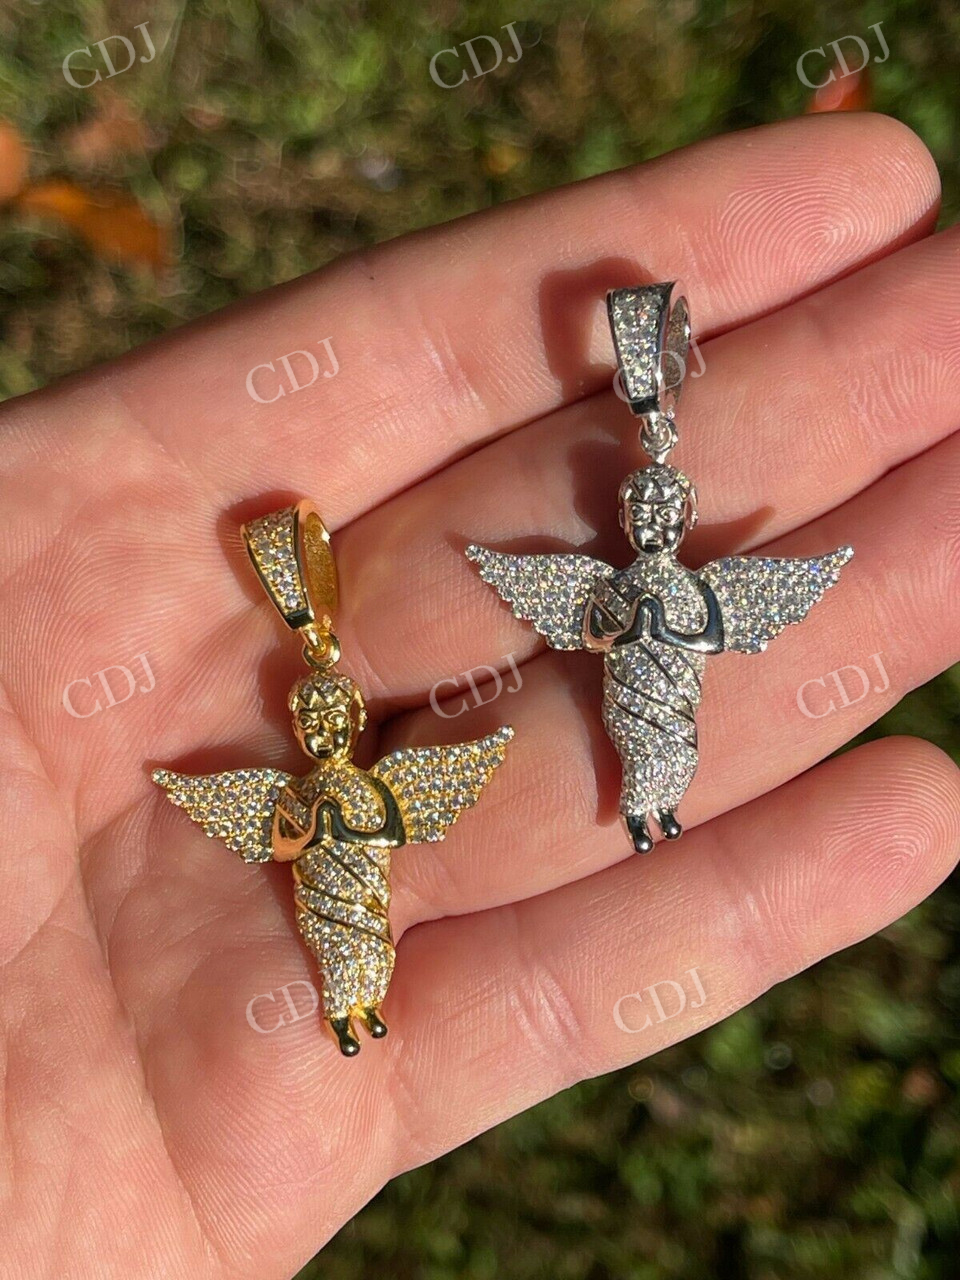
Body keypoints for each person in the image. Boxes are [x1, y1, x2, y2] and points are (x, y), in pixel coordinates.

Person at [1, 113, 958, 1278]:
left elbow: (724, 606)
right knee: (366, 916)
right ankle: (379, 983)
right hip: (379, 856)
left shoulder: (673, 593)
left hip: (656, 689)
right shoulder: (525, 651)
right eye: (646, 511)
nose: (652, 518)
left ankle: (650, 805)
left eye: (659, 510)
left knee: (659, 736)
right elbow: (546, 623)